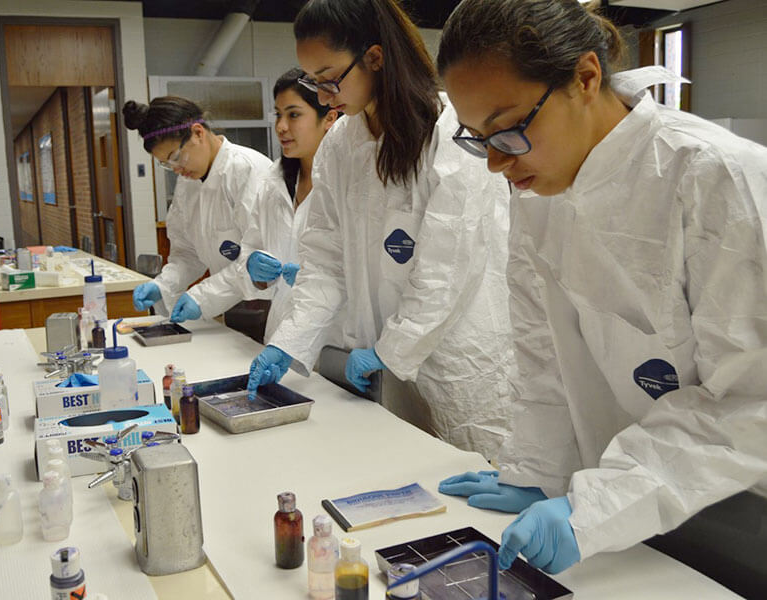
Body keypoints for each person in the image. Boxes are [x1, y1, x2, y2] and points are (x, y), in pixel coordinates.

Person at [434, 0, 767, 588]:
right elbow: (546, 353)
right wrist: (540, 468)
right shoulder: (541, 188)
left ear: (586, 77)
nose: (493, 163)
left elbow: (748, 405)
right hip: (628, 506)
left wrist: (593, 508)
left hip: (741, 507)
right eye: (478, 138)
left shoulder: (716, 178)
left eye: (508, 128)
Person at [246, 0, 514, 457]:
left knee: (472, 487)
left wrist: (393, 349)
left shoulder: (449, 132)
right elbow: (325, 260)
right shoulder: (340, 146)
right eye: (314, 81)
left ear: (374, 57)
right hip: (383, 358)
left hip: (457, 359)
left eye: (329, 78)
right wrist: (288, 342)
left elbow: (447, 272)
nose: (324, 95)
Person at [124, 96, 272, 321]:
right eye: (166, 163)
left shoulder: (247, 170)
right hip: (230, 304)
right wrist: (163, 285)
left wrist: (202, 297)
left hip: (271, 303)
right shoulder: (189, 183)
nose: (175, 169)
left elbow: (259, 257)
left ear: (198, 133)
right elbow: (187, 253)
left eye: (175, 157)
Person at [239, 68, 339, 340]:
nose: (281, 126)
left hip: (333, 334)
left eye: (293, 114)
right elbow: (251, 246)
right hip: (280, 331)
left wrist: (318, 281)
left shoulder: (346, 182)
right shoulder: (273, 182)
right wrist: (253, 267)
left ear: (329, 118)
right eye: (278, 115)